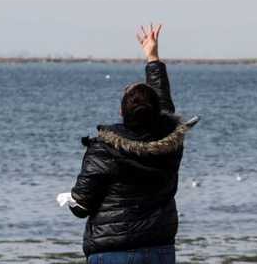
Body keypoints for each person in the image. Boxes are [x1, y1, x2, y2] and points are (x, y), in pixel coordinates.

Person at [67, 22, 190, 264]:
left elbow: (81, 206)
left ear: (122, 113)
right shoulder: (170, 140)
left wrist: (70, 198)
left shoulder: (103, 149)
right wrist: (152, 57)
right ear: (155, 112)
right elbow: (163, 104)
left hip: (114, 252)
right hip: (160, 249)